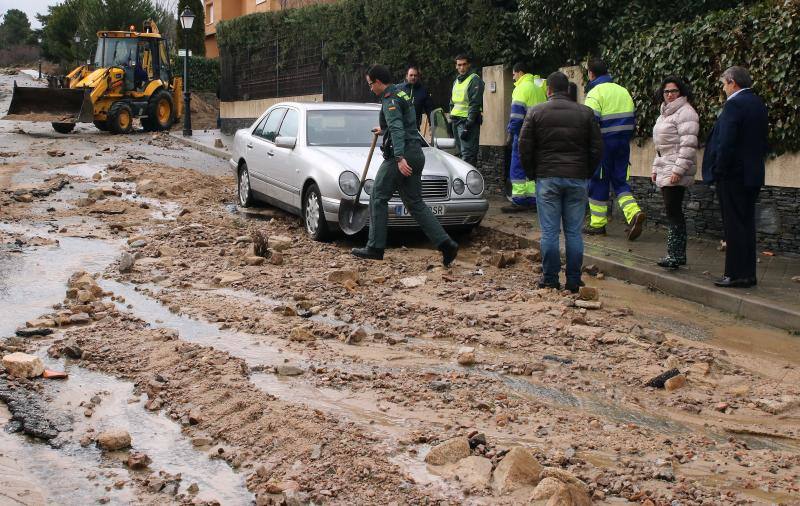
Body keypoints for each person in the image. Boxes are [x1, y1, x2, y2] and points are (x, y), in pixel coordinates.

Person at [351, 64, 459, 266]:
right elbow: (404, 122)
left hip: (402, 155)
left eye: (370, 84)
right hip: (417, 153)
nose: (370, 88)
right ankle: (446, 244)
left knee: (378, 197)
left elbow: (398, 129)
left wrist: (399, 158)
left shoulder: (390, 99)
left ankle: (374, 247)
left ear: (379, 82)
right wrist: (383, 129)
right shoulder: (401, 93)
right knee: (415, 203)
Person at [518, 71, 603, 292]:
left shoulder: (536, 112)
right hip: (577, 178)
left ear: (548, 90)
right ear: (567, 90)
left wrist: (532, 173)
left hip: (547, 178)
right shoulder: (585, 113)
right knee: (574, 233)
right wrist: (586, 172)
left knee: (549, 232)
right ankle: (574, 280)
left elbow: (524, 147)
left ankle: (550, 278)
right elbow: (596, 148)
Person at [702, 66, 768, 288]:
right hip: (752, 175)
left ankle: (735, 274)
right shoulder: (757, 103)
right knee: (746, 223)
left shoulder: (734, 104)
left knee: (733, 226)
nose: (723, 89)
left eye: (724, 84)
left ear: (732, 82)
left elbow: (726, 142)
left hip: (733, 176)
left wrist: (719, 170)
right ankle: (748, 274)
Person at [584, 58, 646, 240]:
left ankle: (597, 224)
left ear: (591, 73)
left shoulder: (595, 93)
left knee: (598, 182)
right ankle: (634, 213)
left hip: (603, 145)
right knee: (620, 182)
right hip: (623, 145)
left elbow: (590, 122)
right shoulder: (623, 91)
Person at [651, 76, 699, 270]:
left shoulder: (686, 113)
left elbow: (688, 145)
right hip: (665, 165)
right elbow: (660, 146)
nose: (669, 95)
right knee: (672, 211)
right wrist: (655, 167)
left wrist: (678, 170)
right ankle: (676, 254)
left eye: (674, 91)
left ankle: (675, 254)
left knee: (674, 211)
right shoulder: (664, 114)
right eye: (666, 91)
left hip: (675, 168)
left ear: (682, 92)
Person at [502, 62, 547, 213]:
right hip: (538, 135)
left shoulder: (521, 88)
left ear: (520, 73)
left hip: (522, 134)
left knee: (517, 167)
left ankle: (519, 200)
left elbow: (516, 116)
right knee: (532, 166)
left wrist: (510, 133)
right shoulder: (539, 88)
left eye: (514, 74)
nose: (513, 78)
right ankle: (533, 199)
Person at [449, 54, 485, 166]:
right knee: (460, 154)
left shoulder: (474, 80)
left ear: (468, 65)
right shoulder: (456, 81)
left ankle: (469, 182)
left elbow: (475, 104)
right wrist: (450, 118)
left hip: (467, 123)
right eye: (459, 65)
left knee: (468, 155)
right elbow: (452, 102)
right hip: (456, 121)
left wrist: (468, 125)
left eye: (464, 64)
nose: (462, 67)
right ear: (456, 66)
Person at [397, 65, 433, 130]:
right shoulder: (398, 89)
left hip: (415, 129)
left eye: (415, 75)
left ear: (418, 77)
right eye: (411, 75)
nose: (413, 77)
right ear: (406, 76)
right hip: (398, 128)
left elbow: (429, 110)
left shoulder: (423, 91)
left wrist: (431, 125)